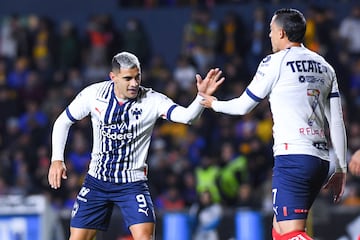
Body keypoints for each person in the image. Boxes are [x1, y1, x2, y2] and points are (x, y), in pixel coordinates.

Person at [200, 8, 347, 240]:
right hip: (319, 161)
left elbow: (242, 107)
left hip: (293, 159)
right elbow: (337, 122)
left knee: (290, 235)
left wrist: (211, 103)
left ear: (281, 33)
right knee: (280, 232)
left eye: (270, 30)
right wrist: (340, 168)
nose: (269, 35)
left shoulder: (275, 62)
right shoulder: (325, 66)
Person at [48, 51, 224, 240]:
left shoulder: (152, 100)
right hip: (97, 181)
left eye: (137, 77)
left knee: (144, 238)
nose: (134, 83)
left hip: (132, 183)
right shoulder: (94, 94)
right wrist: (56, 159)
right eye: (128, 78)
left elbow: (188, 117)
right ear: (113, 77)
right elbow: (62, 122)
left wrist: (200, 98)